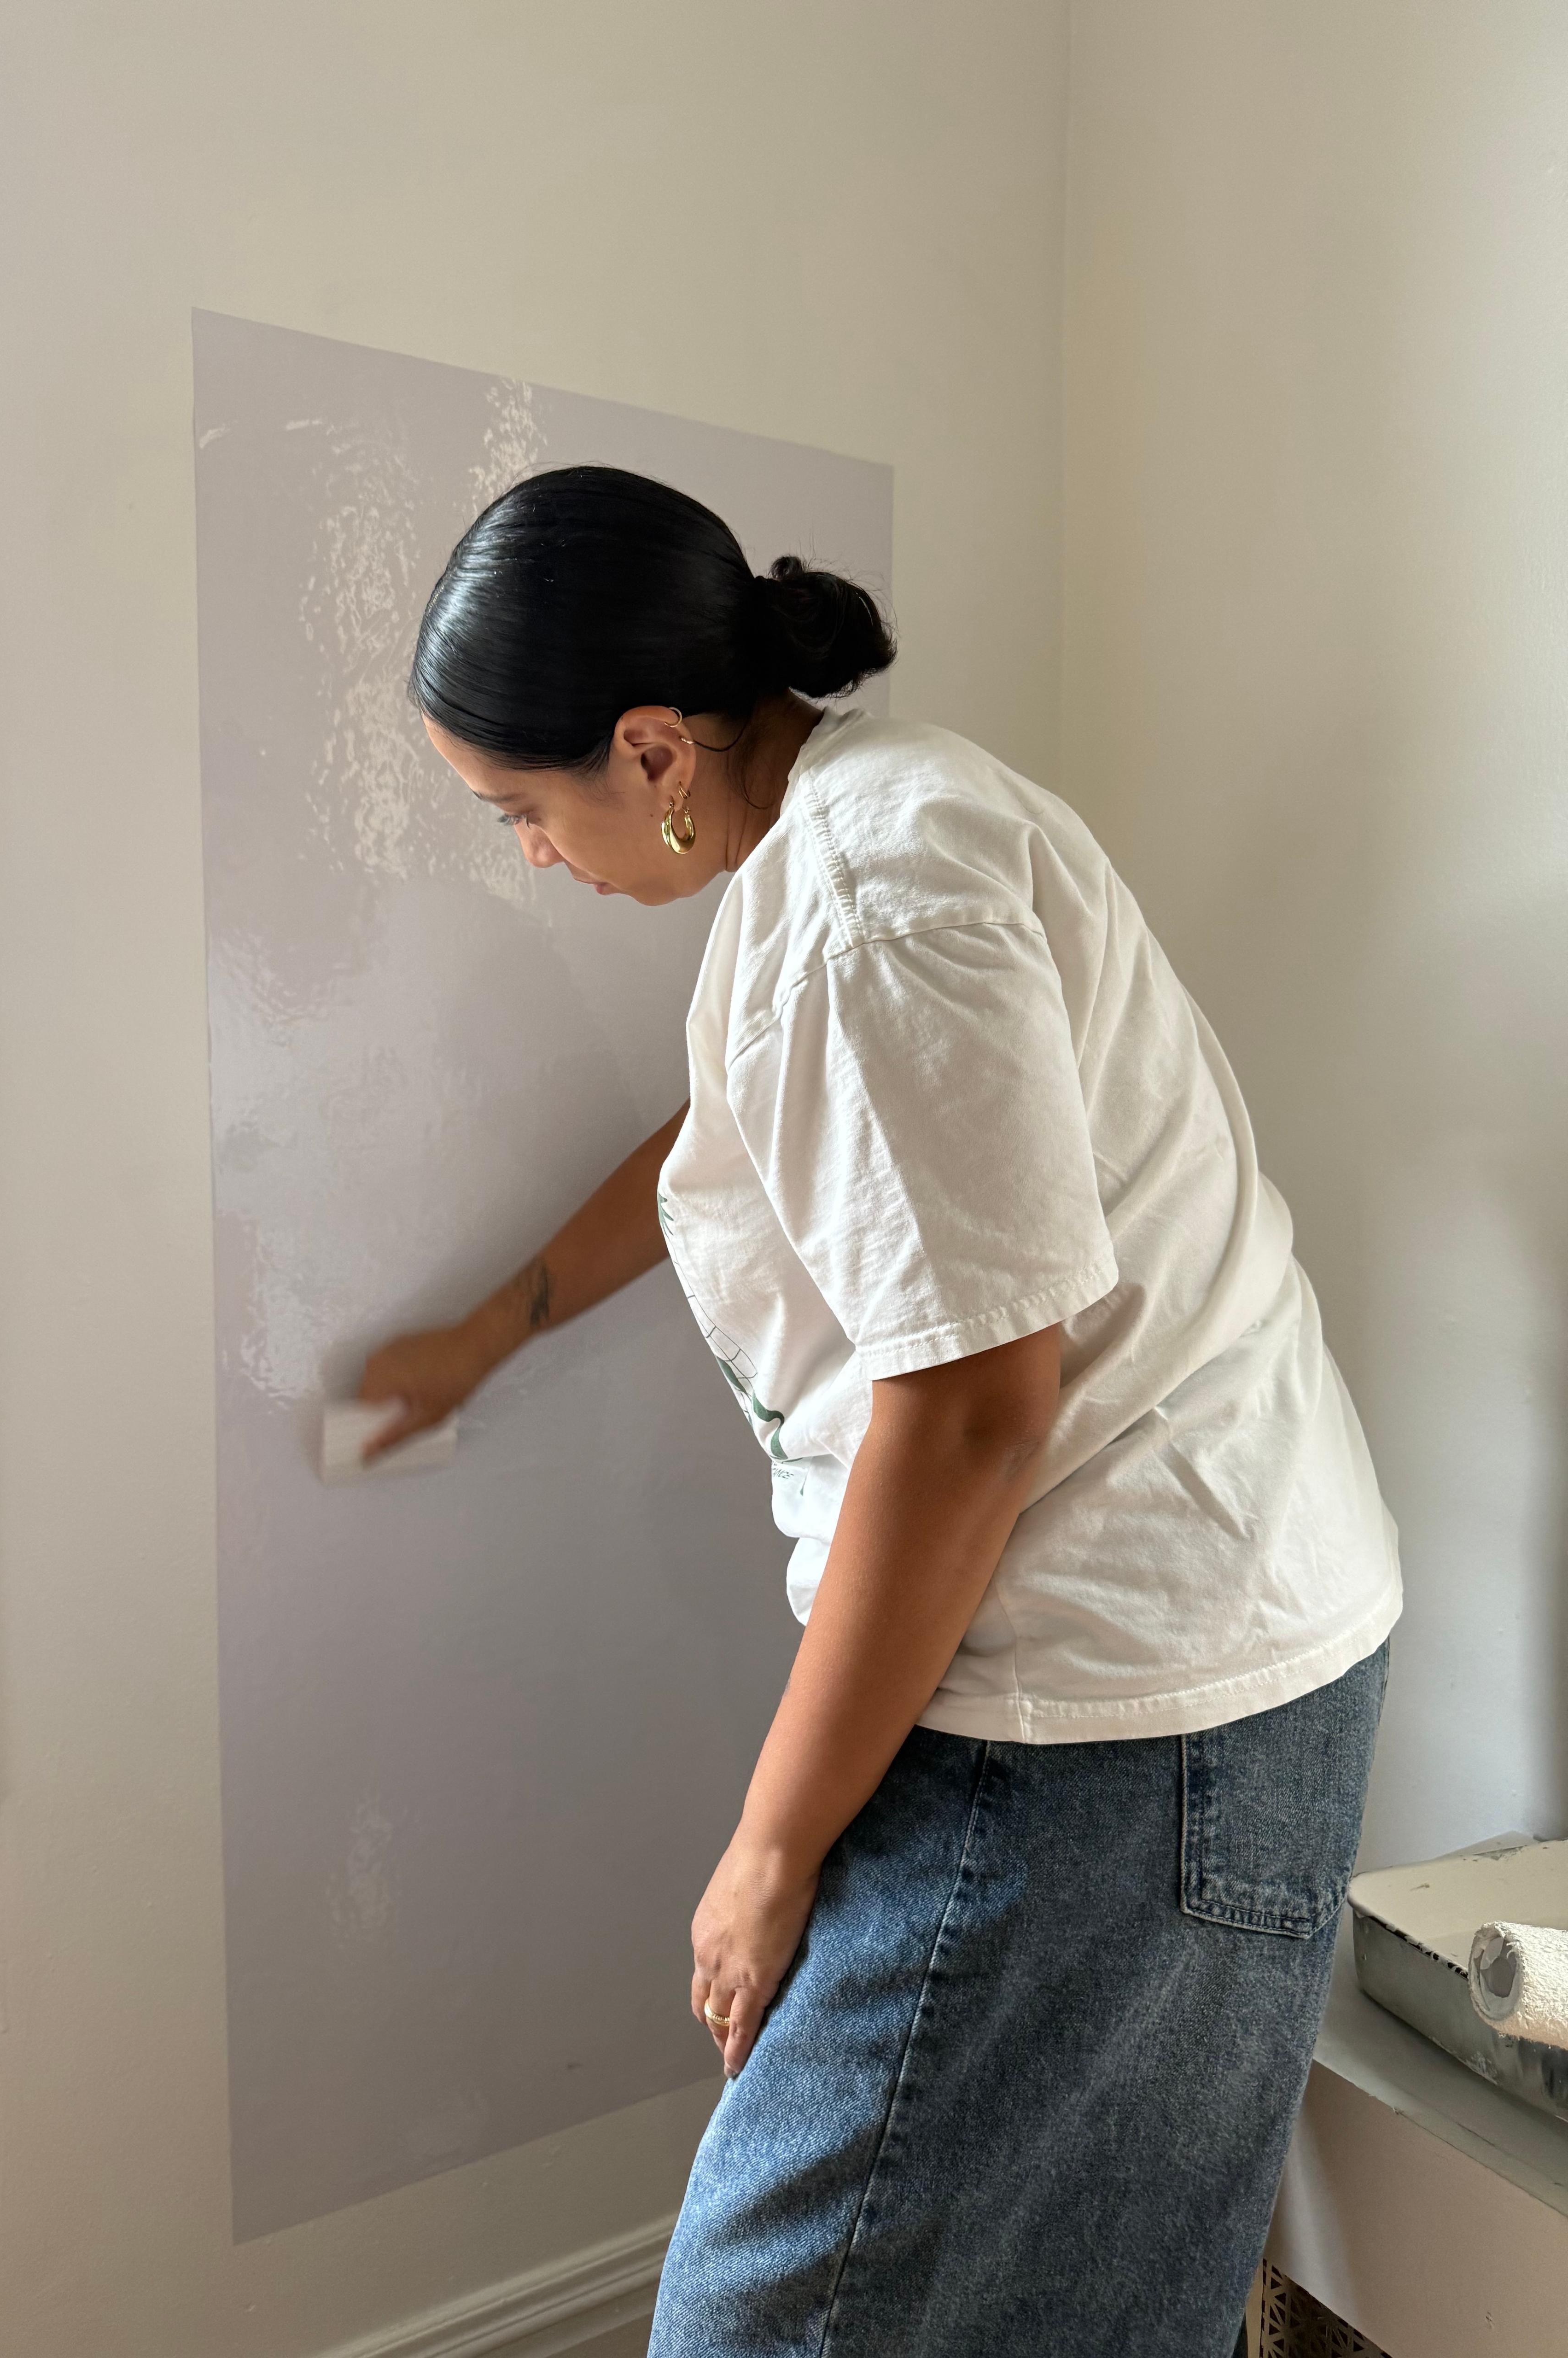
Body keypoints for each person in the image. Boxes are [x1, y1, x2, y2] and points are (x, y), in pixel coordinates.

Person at [358, 465, 1399, 2358]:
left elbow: (979, 1413)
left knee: (771, 2319)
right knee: (1077, 2291)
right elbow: (756, 1127)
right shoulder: (856, 821)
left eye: (519, 808)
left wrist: (768, 1856)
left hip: (1124, 1713)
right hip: (1196, 1648)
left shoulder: (864, 892)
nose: (523, 852)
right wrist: (502, 1319)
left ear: (652, 743)